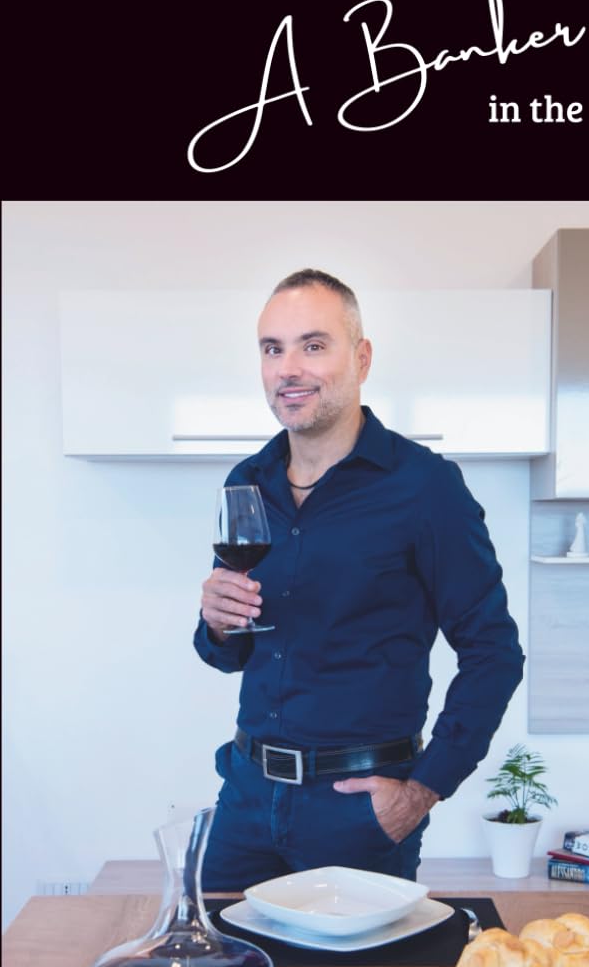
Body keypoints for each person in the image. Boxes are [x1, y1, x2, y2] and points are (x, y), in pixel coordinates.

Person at [194, 268, 524, 888]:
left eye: (313, 346)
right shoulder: (248, 479)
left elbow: (494, 653)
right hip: (244, 799)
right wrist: (216, 623)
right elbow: (229, 653)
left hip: (358, 812)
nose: (288, 368)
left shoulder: (424, 487)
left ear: (362, 357)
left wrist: (421, 792)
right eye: (273, 349)